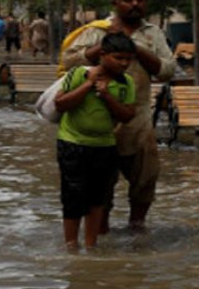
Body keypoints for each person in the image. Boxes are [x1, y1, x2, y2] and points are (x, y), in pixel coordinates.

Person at [62, 0, 176, 232]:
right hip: (99, 125)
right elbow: (69, 62)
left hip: (139, 122)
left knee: (145, 181)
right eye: (128, 0)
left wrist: (134, 48)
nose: (135, 4)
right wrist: (106, 44)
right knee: (99, 189)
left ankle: (137, 233)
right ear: (115, 3)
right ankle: (101, 240)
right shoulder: (97, 30)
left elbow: (168, 70)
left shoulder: (153, 33)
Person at [54, 31, 137, 250]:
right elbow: (60, 104)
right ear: (102, 55)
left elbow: (128, 116)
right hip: (72, 144)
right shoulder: (79, 74)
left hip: (105, 146)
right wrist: (88, 86)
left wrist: (107, 96)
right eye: (118, 58)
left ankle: (91, 245)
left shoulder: (126, 83)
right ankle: (71, 245)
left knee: (98, 198)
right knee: (72, 195)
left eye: (128, 59)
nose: (124, 63)